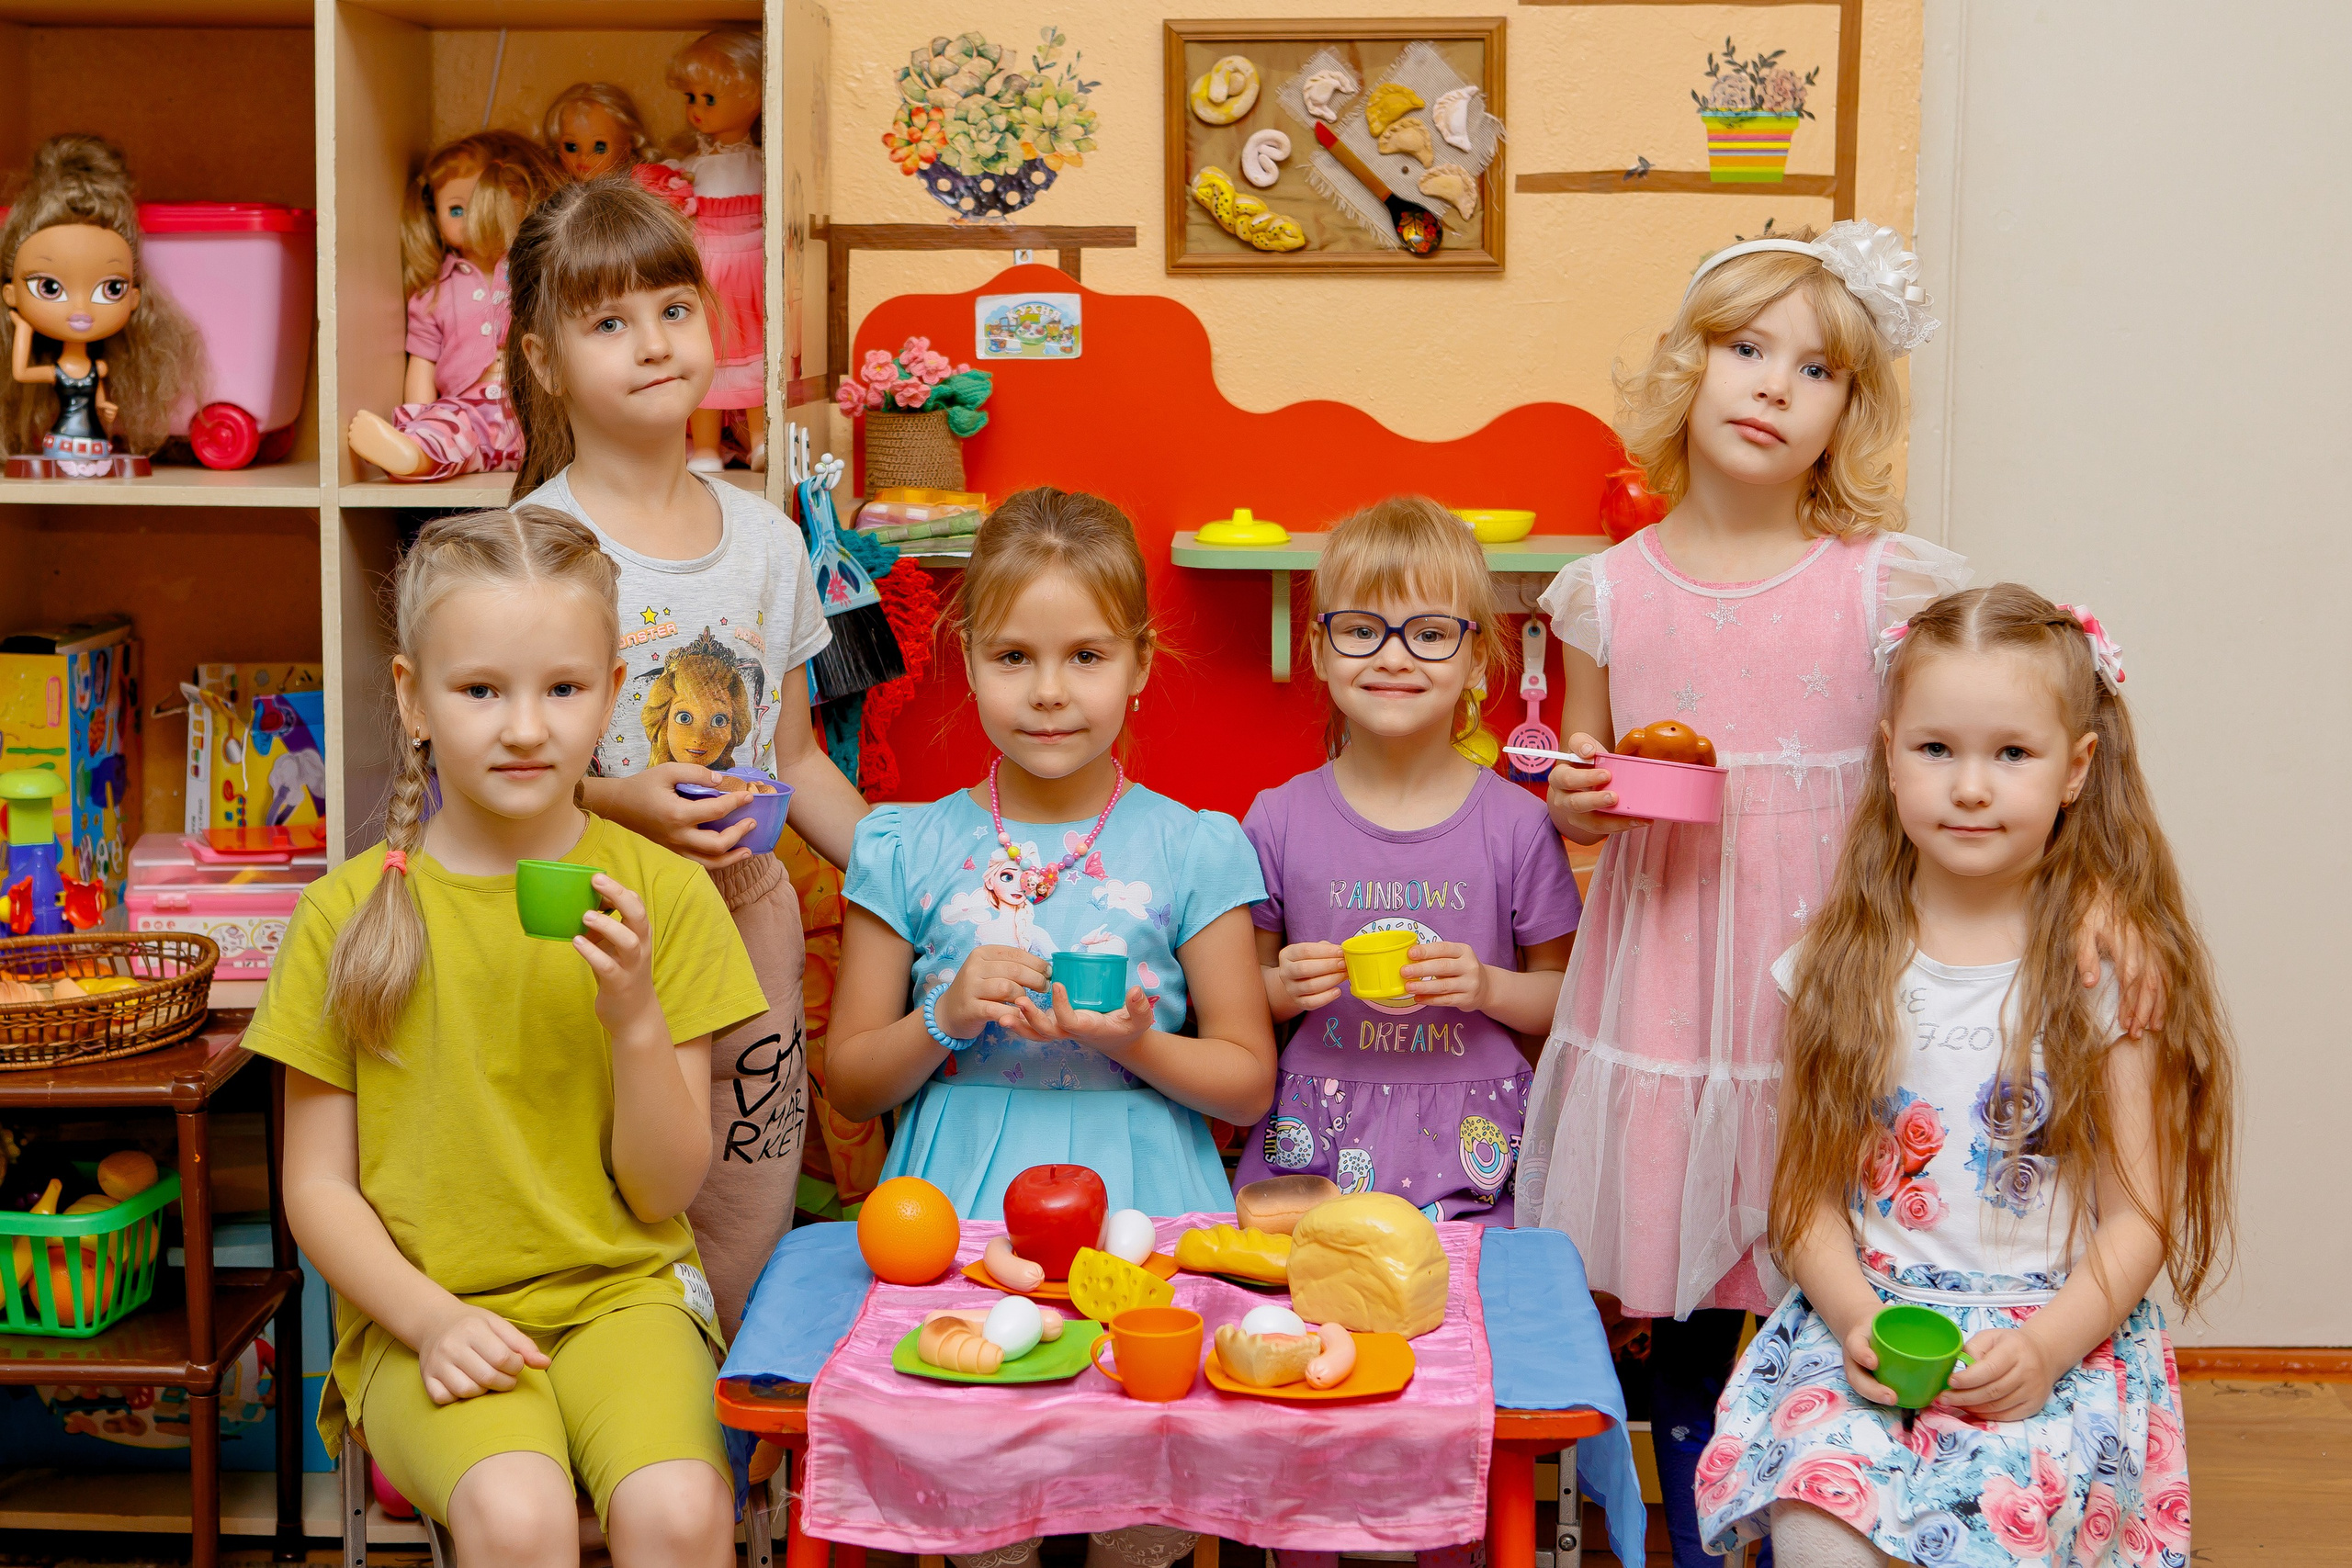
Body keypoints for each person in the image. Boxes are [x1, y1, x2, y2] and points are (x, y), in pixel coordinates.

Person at [1513, 223, 1970, 1562]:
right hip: (1662, 978)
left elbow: (1937, 775)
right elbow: (1585, 778)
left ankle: (1835, 1511)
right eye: (1745, 348)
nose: (1773, 385)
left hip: (1825, 975)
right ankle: (1703, 1531)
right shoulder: (1602, 595)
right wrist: (1575, 799)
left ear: (1850, 410)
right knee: (1684, 1286)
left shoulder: (1884, 585)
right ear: (1686, 369)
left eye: (1816, 367)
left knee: (1831, 1268)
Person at [250, 508, 762, 1566]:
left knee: (679, 1511)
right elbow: (317, 1190)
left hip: (627, 1299)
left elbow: (665, 1194)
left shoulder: (664, 896)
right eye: (481, 689)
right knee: (518, 1517)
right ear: (412, 697)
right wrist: (429, 1320)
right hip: (422, 1314)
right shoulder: (345, 918)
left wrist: (632, 1020)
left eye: (562, 689)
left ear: (614, 694)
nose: (525, 727)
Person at [1698, 585, 2233, 1567]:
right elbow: (1803, 1201)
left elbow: (2138, 1219)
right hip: (1870, 1321)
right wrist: (1857, 1319)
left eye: (2011, 754)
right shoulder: (1836, 962)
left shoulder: (2106, 972)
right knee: (1820, 1523)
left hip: (2050, 1346)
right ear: (1888, 752)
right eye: (1935, 750)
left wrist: (2044, 1350)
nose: (1970, 787)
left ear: (2076, 769)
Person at [827, 486, 1276, 1568]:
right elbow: (848, 1082)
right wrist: (941, 1015)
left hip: (1151, 1204)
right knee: (983, 1526)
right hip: (959, 1218)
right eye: (1014, 657)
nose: (1049, 693)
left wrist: (1133, 1042)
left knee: (1145, 1524)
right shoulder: (904, 847)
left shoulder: (1194, 846)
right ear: (965, 653)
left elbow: (1247, 1082)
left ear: (1138, 660)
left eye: (1084, 657)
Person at [503, 175, 872, 1340]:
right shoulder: (533, 548)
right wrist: (621, 797)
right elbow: (497, 776)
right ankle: (609, 1424)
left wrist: (922, 878)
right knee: (602, 1182)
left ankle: (720, 1444)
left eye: (671, 308)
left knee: (747, 1187)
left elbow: (799, 758)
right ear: (545, 362)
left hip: (745, 914)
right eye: (607, 323)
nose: (652, 344)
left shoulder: (767, 539)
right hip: (589, 912)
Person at [1234, 495, 1581, 1226]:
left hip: (1476, 1150)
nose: (1394, 656)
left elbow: (1566, 997)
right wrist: (1286, 986)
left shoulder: (1519, 824)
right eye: (1362, 630)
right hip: (1315, 1142)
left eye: (1428, 633)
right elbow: (1240, 996)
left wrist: (1484, 984)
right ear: (1322, 650)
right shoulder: (1277, 818)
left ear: (1477, 655)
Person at [347, 130, 565, 481]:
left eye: (480, 205)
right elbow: (422, 362)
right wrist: (419, 417)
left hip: (534, 407)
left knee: (579, 427)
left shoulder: (537, 269)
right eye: (455, 209)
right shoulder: (434, 292)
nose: (468, 219)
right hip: (469, 413)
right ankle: (415, 453)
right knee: (446, 430)